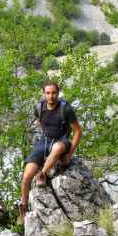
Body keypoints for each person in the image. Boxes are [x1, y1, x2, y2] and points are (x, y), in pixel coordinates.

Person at [18, 81, 82, 223]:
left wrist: (69, 153)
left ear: (58, 94)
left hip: (61, 140)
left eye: (54, 93)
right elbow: (40, 123)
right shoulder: (39, 107)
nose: (51, 96)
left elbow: (78, 131)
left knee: (57, 148)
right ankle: (23, 208)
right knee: (27, 176)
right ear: (44, 94)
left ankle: (43, 174)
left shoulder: (65, 109)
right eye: (48, 93)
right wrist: (43, 139)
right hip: (44, 141)